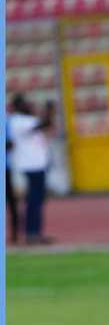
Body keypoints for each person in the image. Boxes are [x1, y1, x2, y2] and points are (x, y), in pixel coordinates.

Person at [8, 94, 54, 244]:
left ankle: (34, 232)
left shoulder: (26, 119)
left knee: (36, 200)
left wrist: (48, 114)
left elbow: (44, 125)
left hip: (37, 164)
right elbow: (42, 124)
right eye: (23, 103)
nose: (27, 105)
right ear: (16, 106)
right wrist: (48, 111)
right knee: (34, 200)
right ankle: (31, 233)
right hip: (30, 165)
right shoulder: (17, 120)